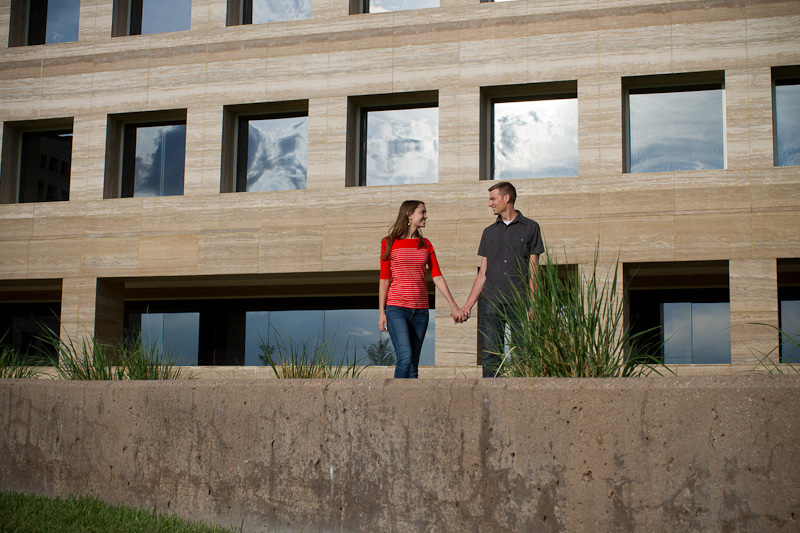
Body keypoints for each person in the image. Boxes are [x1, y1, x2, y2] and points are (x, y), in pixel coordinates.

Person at [460, 181, 544, 377]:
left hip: (520, 300)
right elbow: (482, 275)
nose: (490, 204)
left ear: (507, 198)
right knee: (491, 354)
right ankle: (490, 400)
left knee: (523, 353)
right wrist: (468, 306)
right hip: (491, 301)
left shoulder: (531, 228)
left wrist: (534, 304)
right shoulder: (488, 232)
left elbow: (534, 271)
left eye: (493, 199)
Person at [379, 200, 466, 379]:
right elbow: (384, 279)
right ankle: (394, 404)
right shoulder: (389, 243)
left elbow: (437, 276)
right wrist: (381, 311)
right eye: (422, 212)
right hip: (397, 309)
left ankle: (410, 406)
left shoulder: (425, 244)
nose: (426, 216)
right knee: (404, 358)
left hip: (420, 312)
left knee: (413, 365)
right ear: (409, 215)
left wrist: (453, 305)